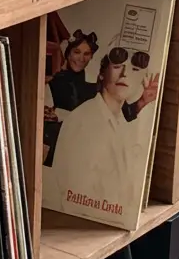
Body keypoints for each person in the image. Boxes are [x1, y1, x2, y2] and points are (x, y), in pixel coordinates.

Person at [46, 49, 154, 221]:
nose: (125, 74)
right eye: (118, 66)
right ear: (102, 74)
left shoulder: (120, 121)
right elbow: (74, 195)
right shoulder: (84, 120)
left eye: (134, 70)